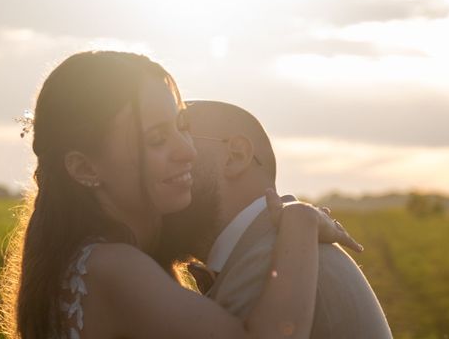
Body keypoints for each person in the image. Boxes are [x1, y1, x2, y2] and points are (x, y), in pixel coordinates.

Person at [0, 50, 358, 339]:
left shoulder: (81, 263)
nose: (187, 151)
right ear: (85, 168)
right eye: (156, 140)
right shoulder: (113, 268)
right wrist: (299, 221)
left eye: (182, 128)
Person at [158, 100, 394, 339]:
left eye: (184, 136)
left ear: (236, 156)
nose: (163, 162)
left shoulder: (264, 262)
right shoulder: (272, 247)